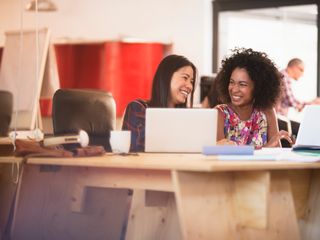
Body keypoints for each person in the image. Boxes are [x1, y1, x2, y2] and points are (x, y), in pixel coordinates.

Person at [214, 48, 292, 148]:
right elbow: (219, 155)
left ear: (257, 88)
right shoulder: (220, 113)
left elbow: (275, 155)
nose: (234, 89)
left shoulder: (267, 112)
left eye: (242, 84)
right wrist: (267, 147)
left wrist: (274, 144)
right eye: (231, 82)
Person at [122, 54, 197, 152]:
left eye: (192, 81)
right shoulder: (138, 108)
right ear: (167, 77)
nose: (190, 86)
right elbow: (137, 149)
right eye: (185, 78)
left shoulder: (189, 116)